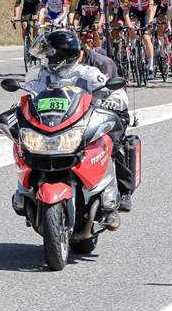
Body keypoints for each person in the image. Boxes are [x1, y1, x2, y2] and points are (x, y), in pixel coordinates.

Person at [26, 30, 134, 219]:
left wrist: (112, 101)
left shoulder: (88, 73)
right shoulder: (43, 76)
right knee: (26, 144)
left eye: (49, 54)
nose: (45, 58)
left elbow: (117, 92)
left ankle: (117, 195)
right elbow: (30, 93)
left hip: (86, 122)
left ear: (61, 56)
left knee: (112, 145)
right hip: (56, 124)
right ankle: (25, 191)